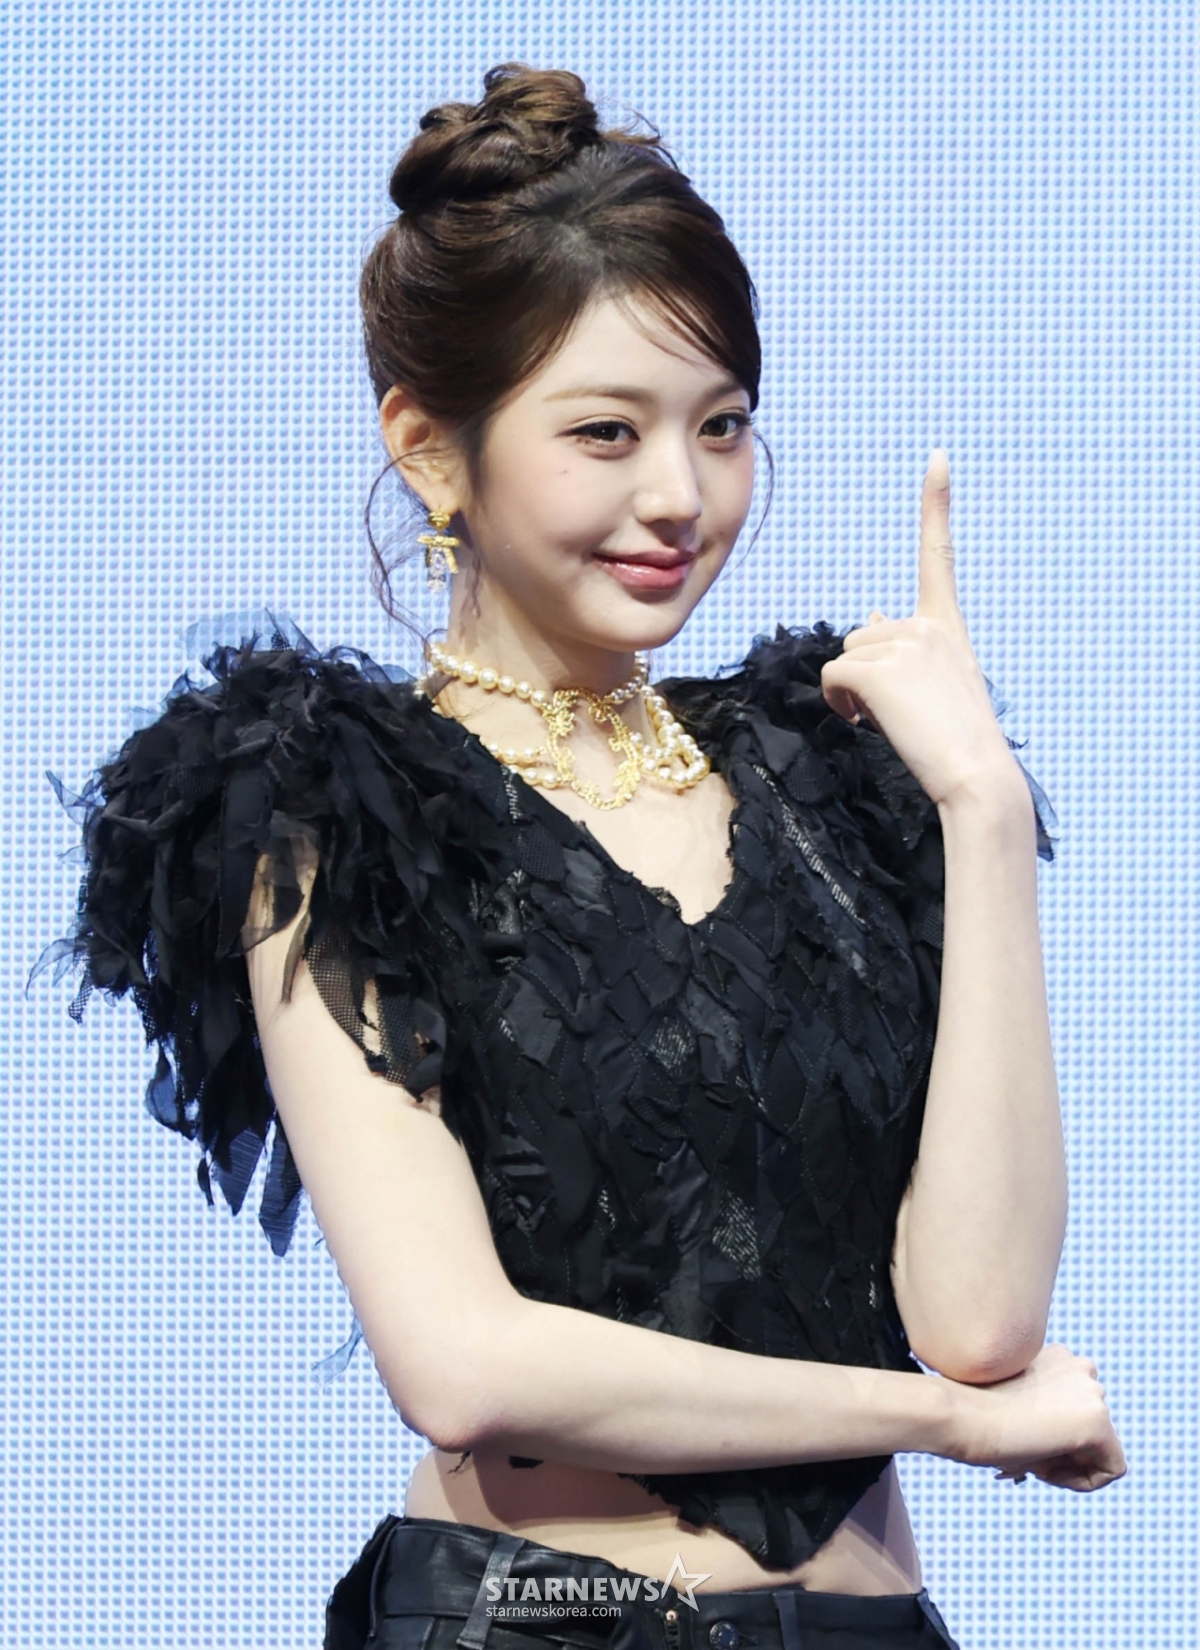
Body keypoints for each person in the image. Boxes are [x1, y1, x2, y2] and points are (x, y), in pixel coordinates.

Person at [39, 62, 1125, 1650]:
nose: (679, 495)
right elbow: (463, 1360)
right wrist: (943, 1423)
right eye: (606, 432)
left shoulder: (832, 772)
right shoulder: (329, 804)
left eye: (722, 426)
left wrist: (983, 807)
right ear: (430, 448)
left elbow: (978, 1321)